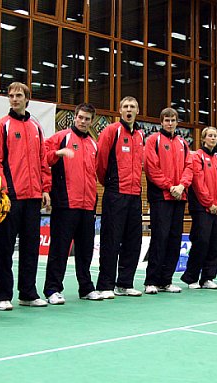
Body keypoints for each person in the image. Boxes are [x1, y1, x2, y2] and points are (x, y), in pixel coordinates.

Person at [0, 82, 52, 310]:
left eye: (19, 95)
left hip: (33, 198)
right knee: (4, 247)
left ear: (27, 99)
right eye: (11, 95)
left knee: (31, 247)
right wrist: (4, 192)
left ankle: (28, 292)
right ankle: (2, 294)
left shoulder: (36, 127)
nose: (14, 99)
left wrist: (45, 188)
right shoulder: (1, 126)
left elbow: (43, 160)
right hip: (10, 198)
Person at [42, 103, 103, 303]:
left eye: (87, 119)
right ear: (74, 117)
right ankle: (52, 289)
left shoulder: (94, 144)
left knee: (85, 251)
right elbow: (43, 158)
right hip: (65, 204)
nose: (83, 121)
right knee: (59, 249)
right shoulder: (62, 138)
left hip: (88, 206)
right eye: (80, 117)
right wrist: (57, 154)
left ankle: (86, 288)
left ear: (91, 121)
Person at [95, 96, 145, 298]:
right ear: (120, 110)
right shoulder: (111, 131)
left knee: (134, 241)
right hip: (115, 194)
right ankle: (106, 285)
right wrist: (111, 184)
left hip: (135, 195)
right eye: (125, 107)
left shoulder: (140, 135)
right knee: (111, 240)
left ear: (137, 110)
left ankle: (125, 283)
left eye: (132, 106)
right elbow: (100, 162)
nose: (129, 110)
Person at [143, 108, 193, 294]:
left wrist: (181, 186)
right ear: (161, 122)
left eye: (173, 120)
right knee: (160, 238)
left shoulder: (183, 143)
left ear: (177, 122)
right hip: (160, 198)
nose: (170, 123)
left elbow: (190, 167)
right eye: (166, 120)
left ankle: (166, 280)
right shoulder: (153, 141)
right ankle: (151, 281)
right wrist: (169, 186)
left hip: (179, 197)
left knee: (174, 239)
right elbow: (151, 168)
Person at [181, 127, 217, 290]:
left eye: (215, 136)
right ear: (203, 139)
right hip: (202, 208)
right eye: (210, 136)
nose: (213, 138)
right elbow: (199, 184)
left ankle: (208, 277)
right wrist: (209, 204)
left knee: (215, 244)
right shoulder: (197, 157)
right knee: (201, 242)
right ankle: (192, 277)